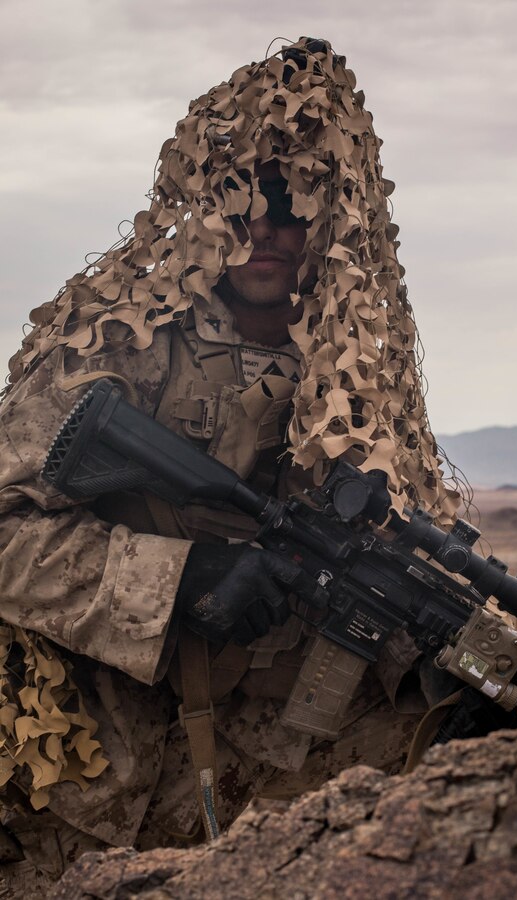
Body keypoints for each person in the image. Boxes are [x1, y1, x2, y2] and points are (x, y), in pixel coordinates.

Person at [0, 38, 461, 896]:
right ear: (203, 206)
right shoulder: (116, 349)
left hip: (268, 781)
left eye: (290, 206)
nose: (265, 231)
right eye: (241, 199)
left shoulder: (357, 383)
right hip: (80, 770)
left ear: (332, 217)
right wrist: (177, 580)